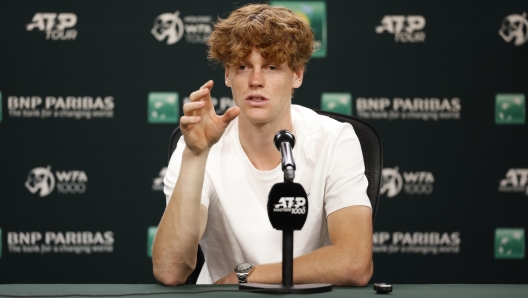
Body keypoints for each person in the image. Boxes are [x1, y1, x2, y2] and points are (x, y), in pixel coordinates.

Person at [152, 3, 373, 286]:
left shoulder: (334, 139)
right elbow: (170, 271)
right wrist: (196, 155)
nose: (256, 81)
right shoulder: (196, 146)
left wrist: (245, 277)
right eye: (243, 67)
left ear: (297, 75)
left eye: (271, 67)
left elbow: (354, 263)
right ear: (228, 76)